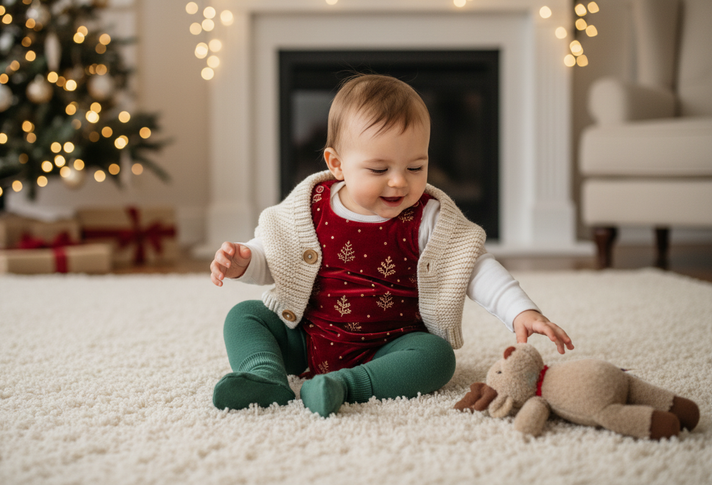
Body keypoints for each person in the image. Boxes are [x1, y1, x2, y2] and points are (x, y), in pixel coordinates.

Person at [209, 73, 573, 418]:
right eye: (379, 170)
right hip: (308, 339)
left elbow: (474, 266)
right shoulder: (310, 206)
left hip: (390, 346)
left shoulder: (428, 217)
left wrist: (521, 311)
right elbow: (276, 255)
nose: (399, 182)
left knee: (436, 357)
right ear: (337, 164)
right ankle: (266, 377)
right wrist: (245, 261)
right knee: (245, 317)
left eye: (415, 167)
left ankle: (342, 386)